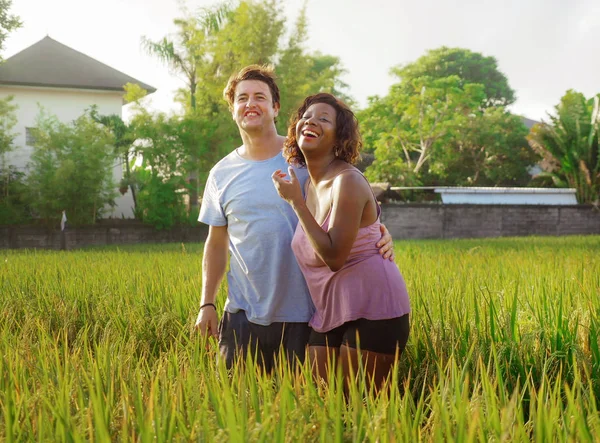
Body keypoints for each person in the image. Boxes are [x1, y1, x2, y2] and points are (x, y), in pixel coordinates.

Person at [194, 65, 395, 373]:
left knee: (301, 411)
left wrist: (378, 233)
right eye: (242, 98)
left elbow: (350, 203)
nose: (250, 104)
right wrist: (207, 302)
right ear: (232, 109)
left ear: (275, 107)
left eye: (260, 97)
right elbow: (217, 242)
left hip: (306, 314)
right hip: (241, 315)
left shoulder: (304, 160)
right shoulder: (221, 174)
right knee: (235, 410)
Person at [271, 93, 411, 390]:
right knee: (321, 401)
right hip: (330, 311)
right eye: (307, 116)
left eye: (323, 118)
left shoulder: (346, 181)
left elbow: (334, 257)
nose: (311, 121)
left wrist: (296, 204)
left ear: (340, 137)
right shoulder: (308, 184)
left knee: (359, 409)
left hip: (375, 308)